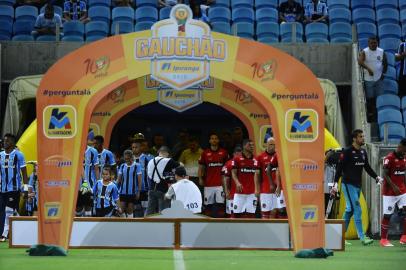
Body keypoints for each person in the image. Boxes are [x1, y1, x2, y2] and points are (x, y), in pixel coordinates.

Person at [332, 129, 384, 245]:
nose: (363, 138)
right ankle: (362, 237)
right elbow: (339, 169)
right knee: (357, 209)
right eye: (361, 137)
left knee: (349, 211)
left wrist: (376, 177)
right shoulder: (347, 152)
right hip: (348, 184)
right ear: (354, 139)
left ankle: (339, 238)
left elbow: (367, 167)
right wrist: (335, 184)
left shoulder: (363, 153)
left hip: (357, 185)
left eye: (363, 136)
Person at [0, 134, 28, 242]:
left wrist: (25, 188)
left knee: (8, 210)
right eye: (3, 141)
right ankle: (22, 225)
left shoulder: (19, 155)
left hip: (14, 188)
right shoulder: (0, 155)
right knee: (11, 211)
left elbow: (24, 172)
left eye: (6, 141)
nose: (4, 142)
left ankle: (4, 234)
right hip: (3, 189)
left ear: (12, 143)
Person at [380, 139, 406, 247]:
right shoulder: (389, 158)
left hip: (402, 191)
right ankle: (383, 239)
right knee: (387, 215)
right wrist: (393, 186)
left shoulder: (404, 158)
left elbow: (403, 174)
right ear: (401, 146)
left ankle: (404, 237)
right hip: (389, 192)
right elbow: (384, 174)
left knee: (405, 213)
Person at [198, 133, 229, 217]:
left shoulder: (224, 152)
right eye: (212, 138)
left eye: (216, 138)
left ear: (218, 140)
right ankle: (208, 223)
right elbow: (201, 167)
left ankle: (221, 223)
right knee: (208, 206)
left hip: (221, 184)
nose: (214, 140)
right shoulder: (205, 153)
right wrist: (200, 178)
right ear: (209, 141)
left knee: (221, 205)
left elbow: (228, 167)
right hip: (208, 184)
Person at [358, 36, 388, 122]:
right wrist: (368, 69)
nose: (373, 44)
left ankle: (379, 114)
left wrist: (384, 73)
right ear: (368, 43)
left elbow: (385, 63)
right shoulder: (364, 51)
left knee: (379, 97)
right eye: (371, 43)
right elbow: (360, 61)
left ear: (377, 43)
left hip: (379, 79)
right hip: (368, 79)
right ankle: (371, 115)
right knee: (370, 97)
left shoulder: (381, 51)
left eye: (375, 43)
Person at [146, 146, 180, 215]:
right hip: (162, 190)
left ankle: (146, 224)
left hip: (151, 189)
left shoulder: (150, 161)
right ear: (167, 153)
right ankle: (163, 225)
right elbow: (180, 166)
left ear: (159, 152)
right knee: (164, 213)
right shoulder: (167, 160)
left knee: (149, 212)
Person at [231, 139, 260, 218]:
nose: (252, 147)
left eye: (252, 145)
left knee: (251, 215)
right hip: (240, 192)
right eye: (249, 145)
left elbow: (257, 175)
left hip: (252, 193)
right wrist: (237, 183)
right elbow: (233, 173)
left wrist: (257, 189)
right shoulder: (237, 159)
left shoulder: (256, 160)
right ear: (244, 146)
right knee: (236, 214)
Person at [257, 137, 282, 219]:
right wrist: (258, 188)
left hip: (278, 191)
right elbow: (257, 175)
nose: (273, 146)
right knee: (265, 214)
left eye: (275, 145)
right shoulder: (260, 157)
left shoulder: (279, 156)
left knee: (278, 212)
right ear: (266, 145)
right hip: (265, 190)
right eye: (271, 144)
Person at [131, 133, 154, 216]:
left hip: (145, 190)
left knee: (145, 211)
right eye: (132, 147)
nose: (134, 149)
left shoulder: (148, 159)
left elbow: (152, 174)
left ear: (141, 147)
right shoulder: (128, 159)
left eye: (136, 147)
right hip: (133, 190)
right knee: (135, 210)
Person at [117, 150, 142, 218]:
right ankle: (124, 224)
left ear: (132, 157)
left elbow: (139, 180)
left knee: (130, 210)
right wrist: (115, 189)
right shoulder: (122, 166)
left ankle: (130, 226)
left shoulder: (137, 166)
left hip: (132, 192)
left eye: (128, 158)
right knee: (121, 210)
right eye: (125, 159)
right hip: (122, 192)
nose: (127, 160)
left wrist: (138, 192)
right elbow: (118, 180)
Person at [222, 145, 242, 217]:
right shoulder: (229, 164)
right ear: (233, 154)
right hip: (232, 194)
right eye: (237, 154)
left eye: (240, 154)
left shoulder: (245, 162)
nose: (239, 156)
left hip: (244, 193)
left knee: (242, 213)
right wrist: (227, 192)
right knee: (231, 214)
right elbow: (225, 179)